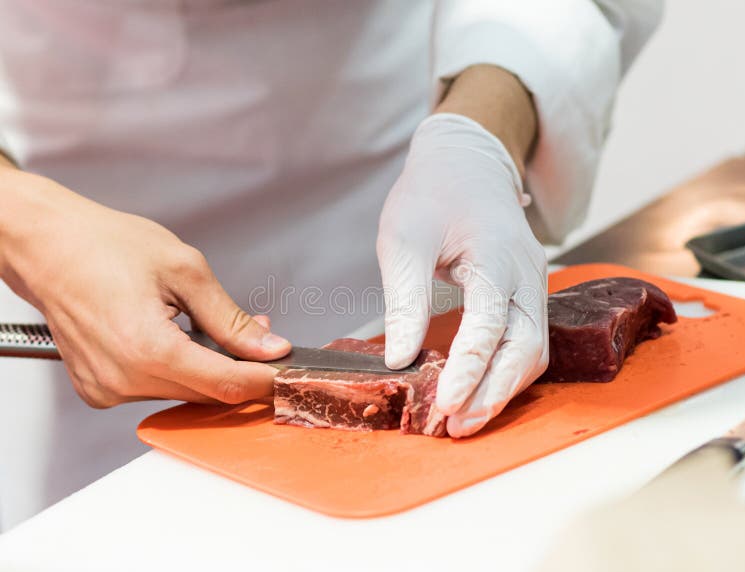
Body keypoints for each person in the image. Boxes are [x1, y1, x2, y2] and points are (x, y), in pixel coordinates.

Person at [0, 0, 662, 527]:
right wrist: (26, 223)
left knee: (432, 454)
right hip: (84, 187)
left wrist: (480, 134)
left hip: (372, 168)